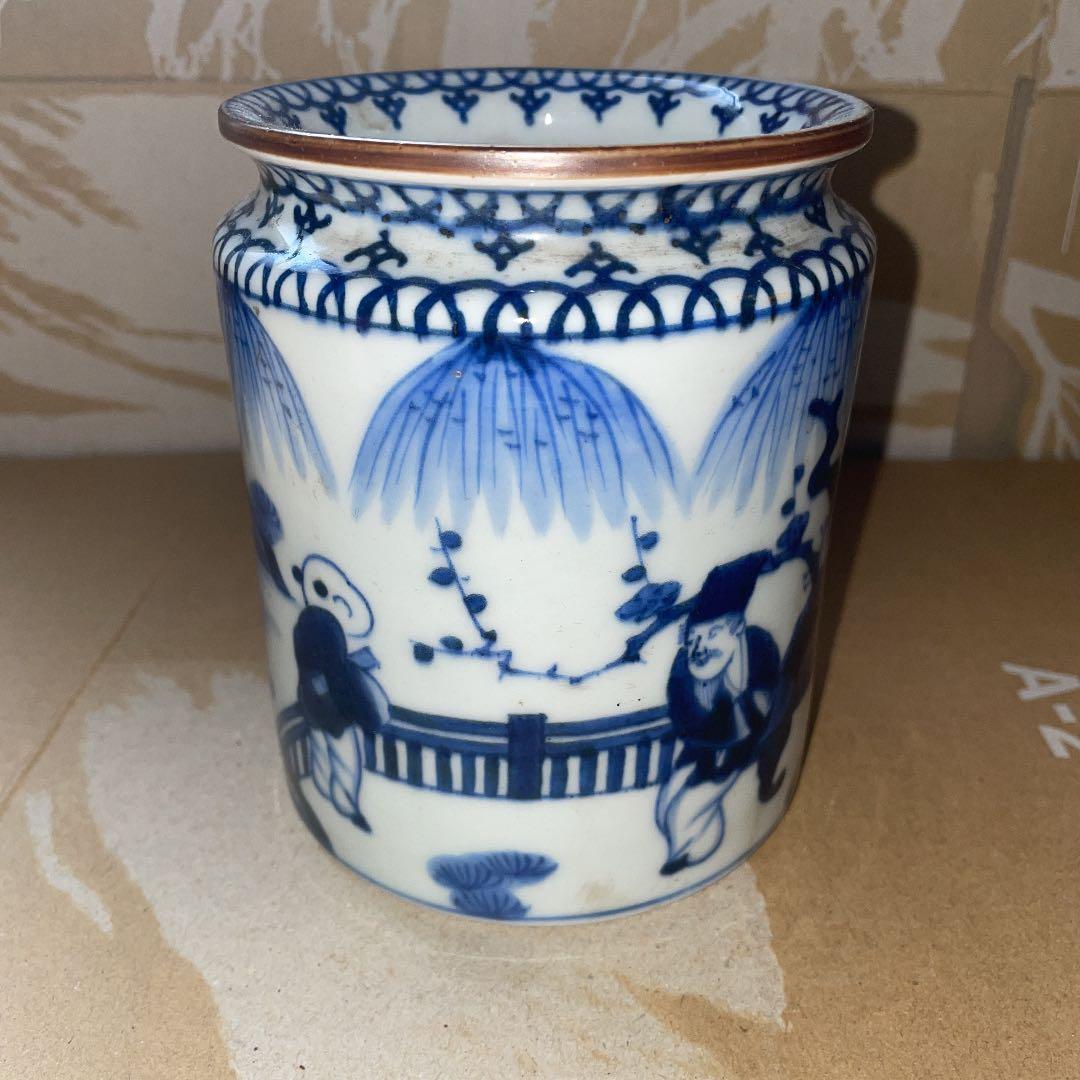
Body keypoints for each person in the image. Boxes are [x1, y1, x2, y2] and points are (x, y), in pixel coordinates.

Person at [656, 551, 781, 875]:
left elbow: (762, 711)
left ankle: (684, 853)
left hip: (738, 747)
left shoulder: (758, 648)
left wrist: (738, 693)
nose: (700, 648)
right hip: (701, 746)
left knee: (686, 808)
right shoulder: (684, 671)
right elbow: (684, 719)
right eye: (694, 638)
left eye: (712, 634)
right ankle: (689, 848)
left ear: (737, 629)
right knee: (666, 807)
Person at [292, 555, 389, 833]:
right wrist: (365, 710)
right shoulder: (326, 625)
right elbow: (338, 670)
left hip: (311, 698)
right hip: (335, 704)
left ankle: (325, 797)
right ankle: (347, 809)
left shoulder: (305, 623)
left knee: (322, 752)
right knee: (345, 760)